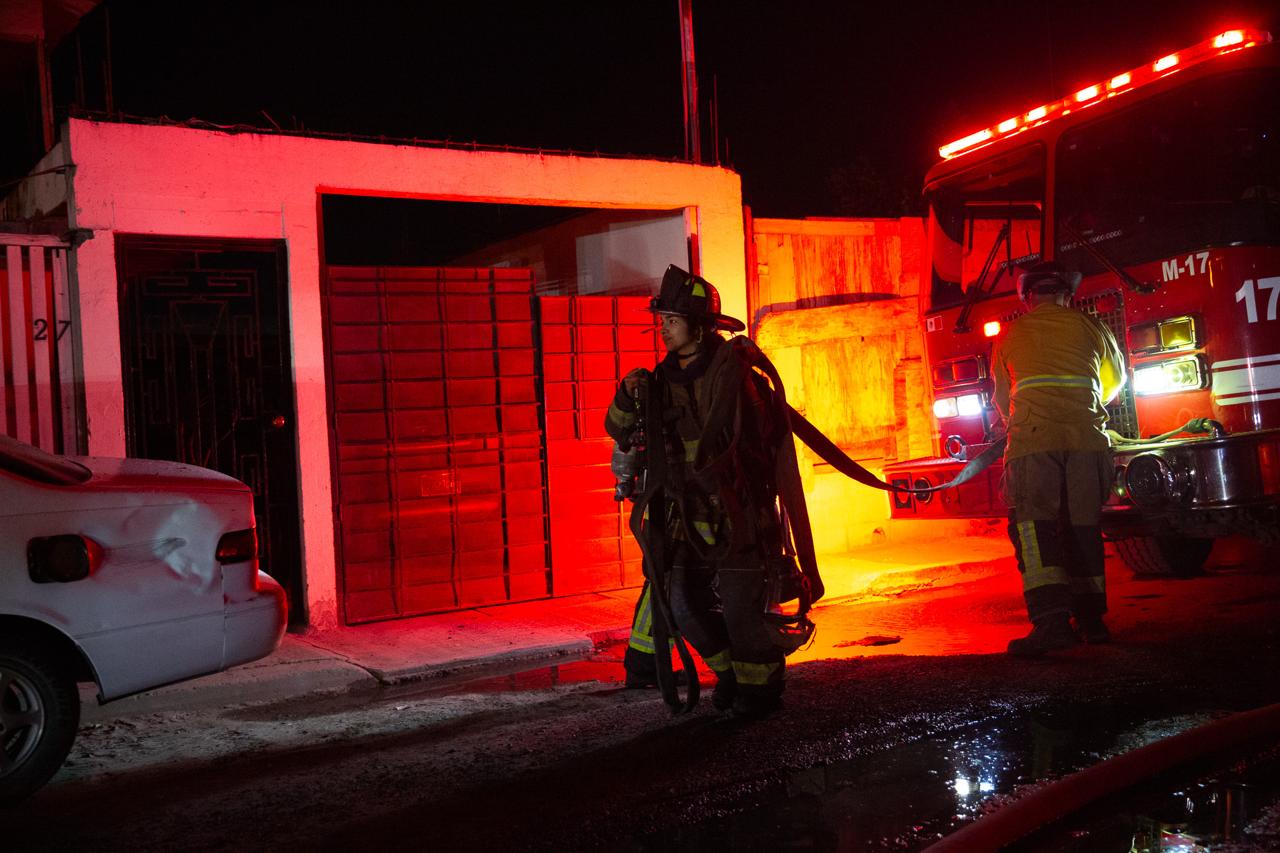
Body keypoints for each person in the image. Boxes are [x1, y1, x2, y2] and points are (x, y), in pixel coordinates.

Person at [605, 265, 810, 717]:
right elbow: (618, 429)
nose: (663, 329)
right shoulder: (657, 381)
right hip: (684, 515)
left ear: (698, 326)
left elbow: (762, 445)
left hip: (738, 515)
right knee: (680, 602)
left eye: (672, 321)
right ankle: (730, 675)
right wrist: (625, 394)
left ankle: (760, 694)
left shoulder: (736, 375)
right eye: (662, 321)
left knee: (742, 610)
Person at [992, 261, 1127, 657]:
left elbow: (1002, 398)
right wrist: (1079, 409)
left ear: (1028, 298)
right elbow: (1114, 382)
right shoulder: (1091, 327)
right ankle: (1092, 622)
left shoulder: (1012, 334)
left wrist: (1025, 423)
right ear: (1068, 296)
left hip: (1033, 445)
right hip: (1087, 441)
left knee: (1035, 530)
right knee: (1083, 529)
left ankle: (1052, 624)